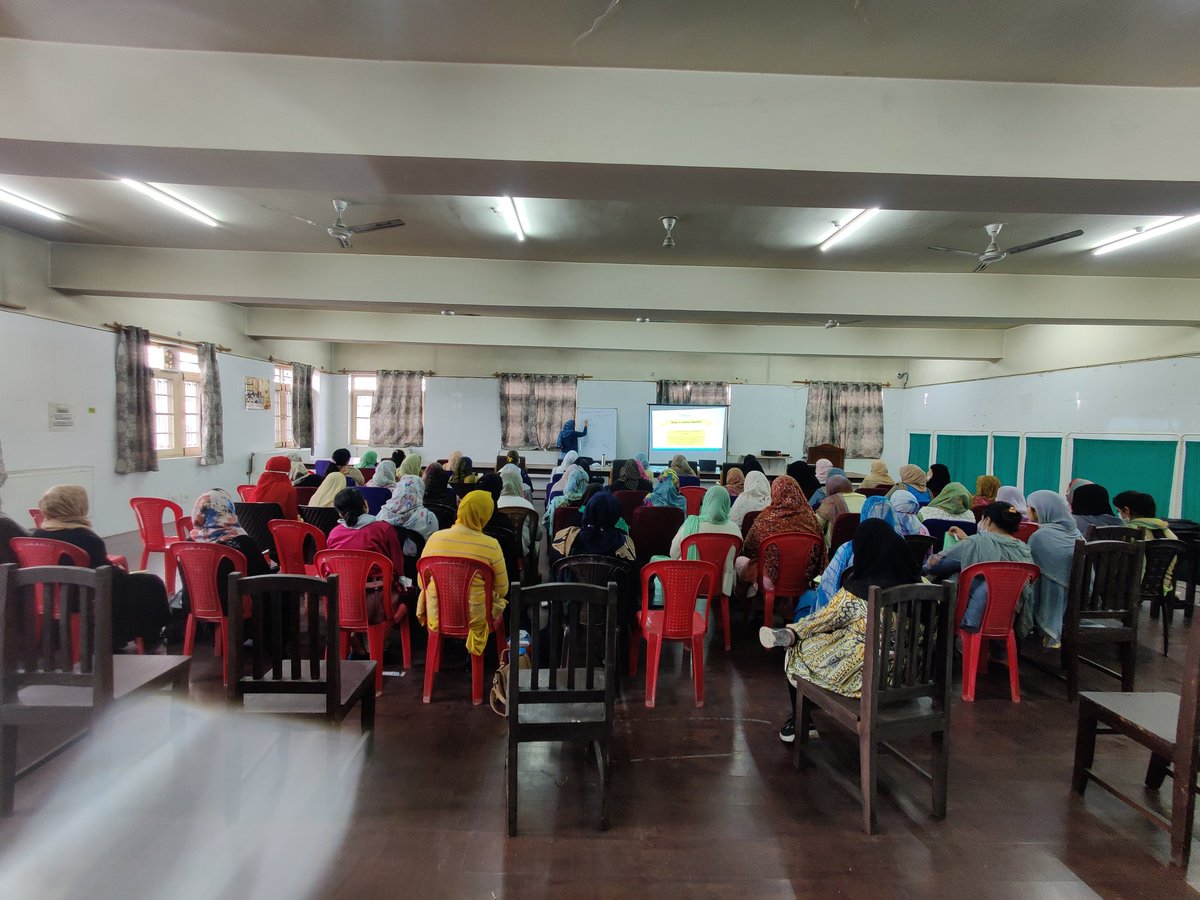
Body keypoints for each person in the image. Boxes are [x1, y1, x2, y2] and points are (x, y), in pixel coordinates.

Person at [760, 519, 921, 741]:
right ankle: (792, 634)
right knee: (841, 637)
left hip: (868, 679)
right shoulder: (926, 589)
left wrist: (795, 630)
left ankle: (801, 721)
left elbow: (824, 618)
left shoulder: (861, 591)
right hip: (911, 676)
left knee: (799, 649)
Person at [34, 485, 172, 652]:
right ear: (77, 506)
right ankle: (150, 636)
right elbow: (106, 575)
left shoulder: (37, 536)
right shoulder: (86, 538)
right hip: (87, 597)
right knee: (151, 583)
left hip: (51, 596)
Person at [418, 490, 509, 656]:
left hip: (437, 614)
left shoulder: (435, 538)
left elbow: (421, 582)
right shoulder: (491, 545)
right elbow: (502, 589)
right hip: (476, 619)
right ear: (486, 515)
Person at [924, 501, 1033, 632]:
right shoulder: (1023, 549)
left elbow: (935, 566)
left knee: (954, 575)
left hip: (976, 616)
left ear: (987, 520)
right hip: (1010, 617)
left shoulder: (977, 543)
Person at [737, 475, 826, 601]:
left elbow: (749, 548)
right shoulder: (812, 520)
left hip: (770, 581)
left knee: (741, 560)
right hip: (804, 579)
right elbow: (821, 553)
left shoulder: (766, 519)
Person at [327, 488, 407, 625]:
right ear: (365, 505)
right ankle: (379, 643)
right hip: (378, 603)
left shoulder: (334, 534)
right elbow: (398, 567)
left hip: (341, 603)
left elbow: (328, 571)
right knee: (409, 593)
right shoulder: (383, 529)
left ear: (340, 513)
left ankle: (355, 642)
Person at [1022, 490, 1082, 647]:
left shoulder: (1040, 537)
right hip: (1078, 600)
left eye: (1029, 507)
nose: (1027, 510)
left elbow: (1030, 571)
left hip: (1049, 602)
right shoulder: (1077, 534)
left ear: (1039, 510)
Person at [669, 485, 742, 598]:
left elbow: (673, 553)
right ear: (727, 504)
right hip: (722, 584)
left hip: (690, 582)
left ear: (706, 502)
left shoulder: (691, 524)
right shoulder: (734, 529)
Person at [552, 490, 636, 562]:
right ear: (616, 514)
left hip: (571, 581)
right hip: (610, 581)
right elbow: (631, 571)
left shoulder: (566, 537)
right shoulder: (624, 542)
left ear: (588, 510)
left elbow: (554, 566)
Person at [378, 474, 440, 542]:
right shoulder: (428, 519)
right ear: (421, 492)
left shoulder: (382, 514)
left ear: (397, 490)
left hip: (387, 552)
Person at [497, 463, 540, 556]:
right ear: (519, 483)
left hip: (498, 551)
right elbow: (537, 535)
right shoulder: (527, 505)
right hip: (521, 551)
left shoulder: (494, 504)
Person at [815, 474, 866, 540]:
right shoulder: (864, 498)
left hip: (836, 545)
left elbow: (816, 525)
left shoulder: (829, 502)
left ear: (830, 488)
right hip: (861, 542)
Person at [250, 455, 299, 520]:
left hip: (252, 527)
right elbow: (291, 517)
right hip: (276, 528)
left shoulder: (257, 488)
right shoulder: (289, 490)